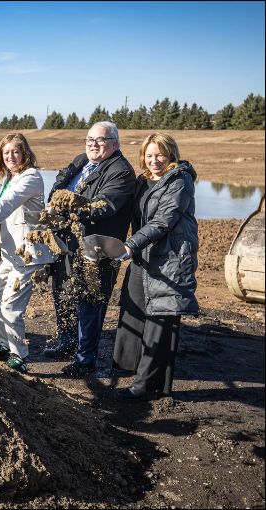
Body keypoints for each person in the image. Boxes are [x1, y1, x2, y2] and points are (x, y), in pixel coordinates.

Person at [42, 121, 136, 376]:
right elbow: (59, 185)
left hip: (97, 248)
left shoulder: (120, 171)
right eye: (89, 140)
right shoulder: (81, 160)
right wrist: (55, 202)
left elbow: (104, 206)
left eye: (100, 140)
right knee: (63, 292)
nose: (93, 144)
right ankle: (67, 341)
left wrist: (64, 209)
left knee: (90, 300)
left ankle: (85, 359)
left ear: (115, 144)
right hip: (67, 242)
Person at [112, 133, 198, 400]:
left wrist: (130, 245)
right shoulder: (143, 181)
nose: (154, 160)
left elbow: (164, 220)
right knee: (132, 311)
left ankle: (147, 384)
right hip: (143, 257)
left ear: (171, 154)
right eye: (149, 155)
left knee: (159, 319)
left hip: (168, 260)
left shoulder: (180, 180)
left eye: (159, 154)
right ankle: (126, 367)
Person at [0, 133, 54, 373]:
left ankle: (19, 355)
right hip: (8, 252)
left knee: (10, 305)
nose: (10, 156)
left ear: (25, 153)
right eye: (6, 152)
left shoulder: (31, 177)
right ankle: (5, 346)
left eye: (15, 152)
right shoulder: (9, 178)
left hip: (28, 253)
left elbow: (9, 202)